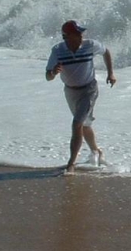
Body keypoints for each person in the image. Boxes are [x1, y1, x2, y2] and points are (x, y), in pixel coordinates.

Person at [45, 20, 116, 173]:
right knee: (84, 125)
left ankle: (71, 163)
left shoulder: (90, 45)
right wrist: (53, 72)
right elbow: (47, 76)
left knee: (76, 123)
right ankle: (96, 151)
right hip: (70, 91)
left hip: (89, 89)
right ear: (67, 36)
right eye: (77, 33)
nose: (81, 35)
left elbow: (106, 52)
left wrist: (111, 73)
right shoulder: (57, 50)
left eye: (81, 32)